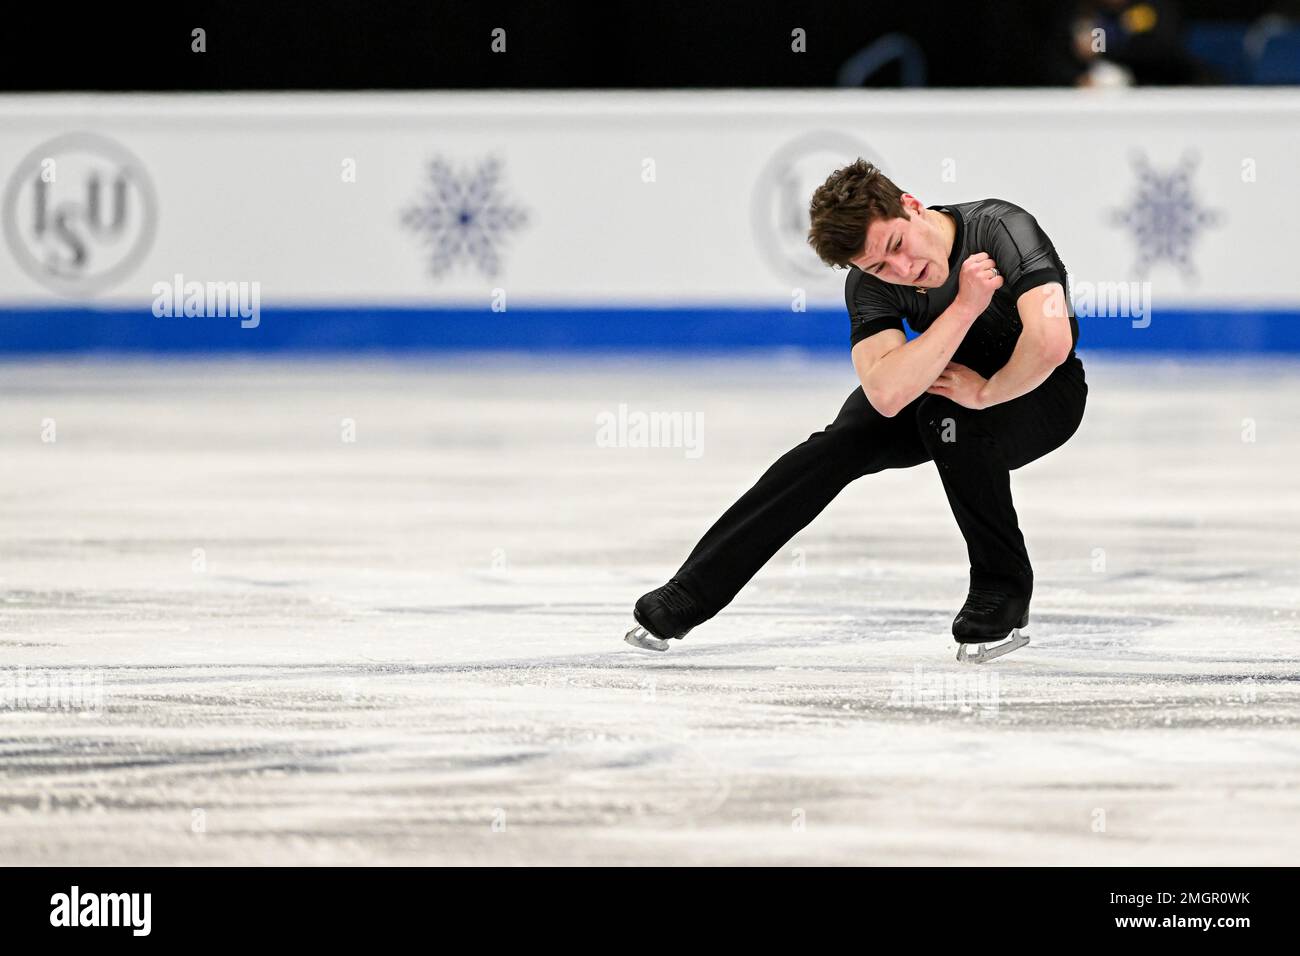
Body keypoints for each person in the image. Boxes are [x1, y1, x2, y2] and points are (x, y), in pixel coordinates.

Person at [624, 160, 1087, 662]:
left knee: (950, 421)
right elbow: (886, 393)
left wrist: (987, 392)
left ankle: (1003, 590)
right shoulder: (869, 285)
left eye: (896, 246)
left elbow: (1051, 341)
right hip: (945, 381)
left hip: (1040, 392)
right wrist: (962, 309)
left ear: (912, 205)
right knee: (838, 444)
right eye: (879, 268)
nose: (902, 270)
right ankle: (690, 593)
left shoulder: (999, 228)